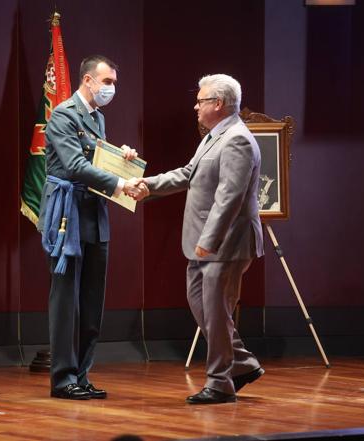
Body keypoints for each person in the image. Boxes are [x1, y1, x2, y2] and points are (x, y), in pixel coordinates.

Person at [131, 74, 265, 404]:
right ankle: (243, 363)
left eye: (201, 100)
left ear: (217, 104)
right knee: (203, 306)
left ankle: (220, 383)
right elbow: (188, 174)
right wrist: (148, 185)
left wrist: (210, 239)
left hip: (224, 244)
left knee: (216, 312)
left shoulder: (237, 140)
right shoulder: (213, 137)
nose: (196, 106)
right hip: (202, 242)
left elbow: (229, 198)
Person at [38, 55, 145, 400]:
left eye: (114, 83)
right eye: (107, 81)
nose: (111, 88)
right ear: (88, 80)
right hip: (67, 213)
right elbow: (74, 165)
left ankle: (82, 375)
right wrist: (119, 182)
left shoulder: (96, 117)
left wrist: (122, 158)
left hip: (93, 212)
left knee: (92, 299)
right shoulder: (64, 116)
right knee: (66, 298)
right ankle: (63, 378)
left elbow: (97, 159)